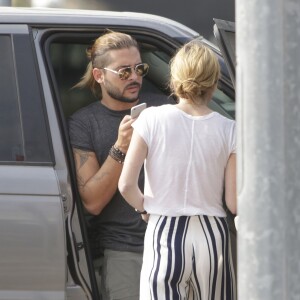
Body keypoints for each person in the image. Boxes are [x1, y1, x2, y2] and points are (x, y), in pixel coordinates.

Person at [118, 40, 237, 299]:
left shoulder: (150, 119)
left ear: (175, 79)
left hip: (164, 233)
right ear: (214, 83)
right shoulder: (230, 129)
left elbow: (126, 185)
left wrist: (144, 209)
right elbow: (233, 202)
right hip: (212, 236)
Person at [68, 31, 170, 300]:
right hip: (124, 252)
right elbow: (92, 202)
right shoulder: (84, 123)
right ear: (100, 75)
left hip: (173, 241)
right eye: (124, 72)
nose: (135, 77)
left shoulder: (166, 108)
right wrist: (121, 146)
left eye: (139, 68)